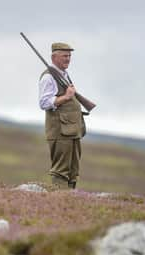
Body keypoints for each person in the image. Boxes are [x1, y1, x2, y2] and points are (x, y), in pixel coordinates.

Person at [38, 42, 86, 189]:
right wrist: (66, 97)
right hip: (60, 131)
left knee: (73, 170)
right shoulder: (48, 77)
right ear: (54, 57)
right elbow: (44, 103)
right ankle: (58, 201)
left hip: (71, 130)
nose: (68, 59)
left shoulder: (63, 75)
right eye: (64, 56)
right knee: (61, 171)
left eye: (69, 56)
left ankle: (69, 201)